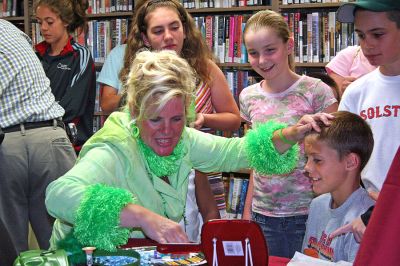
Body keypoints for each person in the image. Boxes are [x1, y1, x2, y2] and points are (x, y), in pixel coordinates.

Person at [45, 50, 333, 260]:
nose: (168, 132)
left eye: (177, 119)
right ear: (135, 112)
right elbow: (58, 194)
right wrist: (142, 216)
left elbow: (238, 152)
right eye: (155, 120)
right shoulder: (113, 147)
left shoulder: (184, 140)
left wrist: (292, 133)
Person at [98, 0, 241, 241]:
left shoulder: (205, 68)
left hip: (200, 167)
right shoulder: (136, 75)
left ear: (185, 29)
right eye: (158, 30)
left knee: (198, 232)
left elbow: (234, 119)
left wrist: (204, 118)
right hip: (149, 172)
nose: (168, 36)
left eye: (174, 27)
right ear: (145, 38)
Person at [239, 10, 338, 258]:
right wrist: (248, 209)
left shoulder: (317, 91)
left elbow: (335, 157)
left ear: (289, 45)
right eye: (253, 53)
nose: (262, 60)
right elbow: (256, 157)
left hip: (308, 212)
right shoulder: (248, 96)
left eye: (270, 50)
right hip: (263, 214)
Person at [0, 19, 76, 262]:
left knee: (10, 252)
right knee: (67, 245)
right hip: (50, 136)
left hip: (6, 147)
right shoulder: (10, 28)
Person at [329, 0, 400, 242]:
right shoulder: (356, 91)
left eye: (378, 34)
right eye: (361, 35)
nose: (367, 45)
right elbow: (345, 154)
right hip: (368, 211)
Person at [301, 111, 375, 262]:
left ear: (350, 162)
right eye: (306, 158)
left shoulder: (364, 219)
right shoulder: (317, 204)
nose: (307, 168)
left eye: (317, 160)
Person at [35, 0, 96, 153]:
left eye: (49, 22)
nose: (43, 28)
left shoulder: (80, 55)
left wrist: (37, 118)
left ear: (66, 22)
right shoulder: (35, 55)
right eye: (39, 22)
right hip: (39, 141)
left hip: (70, 146)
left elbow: (72, 107)